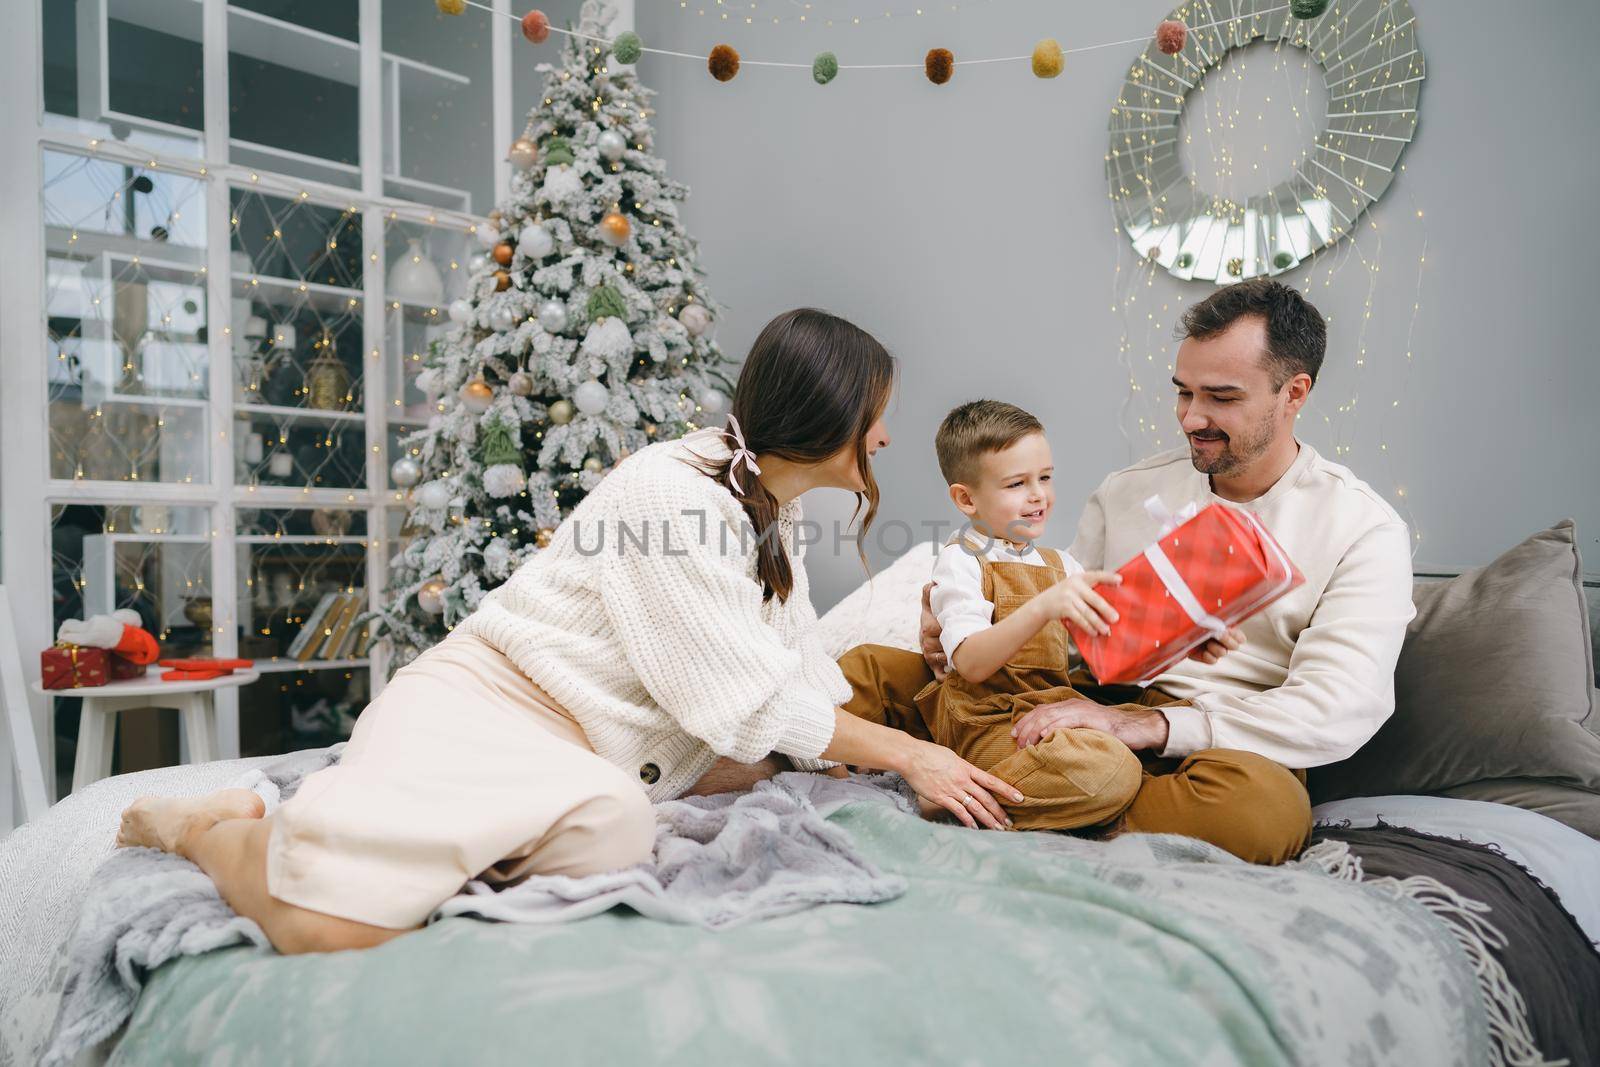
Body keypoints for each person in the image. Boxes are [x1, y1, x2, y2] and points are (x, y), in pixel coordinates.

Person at [115, 308, 1025, 955]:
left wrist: (928, 680)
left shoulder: (762, 517)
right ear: (830, 418)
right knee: (327, 924)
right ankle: (202, 829)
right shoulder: (673, 496)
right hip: (488, 706)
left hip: (585, 756)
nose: (888, 441)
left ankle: (404, 850)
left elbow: (800, 680)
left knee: (614, 831)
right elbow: (752, 703)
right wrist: (914, 759)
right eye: (878, 419)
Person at [838, 278, 1417, 864]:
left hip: (1216, 741)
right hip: (1079, 705)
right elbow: (1069, 646)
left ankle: (1006, 797)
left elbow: (1337, 708)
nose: (1192, 418)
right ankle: (1048, 791)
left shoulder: (1363, 529)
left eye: (1222, 397)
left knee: (1264, 814)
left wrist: (1151, 726)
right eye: (1184, 393)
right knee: (871, 671)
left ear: (1293, 393)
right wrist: (967, 630)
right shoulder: (1130, 490)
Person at [884, 399, 1244, 832]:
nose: (1038, 495)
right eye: (1017, 483)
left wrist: (1185, 639)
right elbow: (971, 663)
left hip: (1051, 714)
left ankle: (1030, 798)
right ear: (966, 498)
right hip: (989, 721)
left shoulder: (1063, 565)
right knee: (1110, 771)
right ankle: (954, 797)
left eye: (1045, 478)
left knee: (1159, 733)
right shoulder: (962, 560)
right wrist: (1045, 606)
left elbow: (1117, 648)